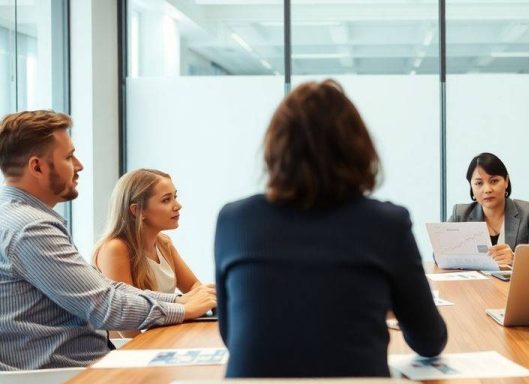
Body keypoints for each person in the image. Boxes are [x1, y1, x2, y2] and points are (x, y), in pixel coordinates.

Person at [214, 80, 447, 378]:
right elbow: (429, 340)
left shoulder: (235, 221)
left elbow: (232, 336)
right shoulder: (387, 223)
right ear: (358, 148)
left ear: (276, 148)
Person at [0, 110, 216, 371]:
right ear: (37, 167)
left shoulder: (18, 216)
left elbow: (105, 288)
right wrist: (181, 310)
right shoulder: (30, 227)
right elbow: (103, 306)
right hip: (68, 371)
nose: (79, 165)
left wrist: (179, 302)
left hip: (84, 362)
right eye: (69, 157)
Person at [93, 169, 205, 337]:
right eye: (166, 200)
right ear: (137, 210)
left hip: (157, 339)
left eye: (175, 196)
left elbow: (195, 289)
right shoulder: (114, 249)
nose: (177, 205)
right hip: (122, 350)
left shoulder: (164, 243)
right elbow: (128, 329)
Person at [449, 152, 529, 267]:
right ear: (471, 186)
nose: (487, 189)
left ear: (506, 181)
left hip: (513, 284)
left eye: (494, 181)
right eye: (479, 183)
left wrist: (514, 258)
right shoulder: (460, 214)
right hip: (473, 284)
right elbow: (439, 254)